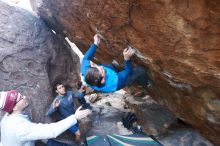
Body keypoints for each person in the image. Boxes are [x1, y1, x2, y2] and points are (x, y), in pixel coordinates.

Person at [0, 90, 91, 146]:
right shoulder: (19, 127)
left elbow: (79, 96)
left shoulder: (7, 118)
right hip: (67, 120)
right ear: (14, 107)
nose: (24, 97)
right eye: (20, 98)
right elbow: (51, 130)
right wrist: (75, 117)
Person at [80, 34, 152, 93]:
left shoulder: (86, 71)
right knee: (141, 70)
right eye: (102, 71)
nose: (102, 67)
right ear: (103, 80)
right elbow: (128, 71)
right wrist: (127, 59)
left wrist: (95, 43)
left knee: (112, 65)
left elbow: (85, 58)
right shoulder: (115, 81)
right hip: (118, 83)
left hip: (111, 71)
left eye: (97, 67)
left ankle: (115, 68)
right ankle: (143, 83)